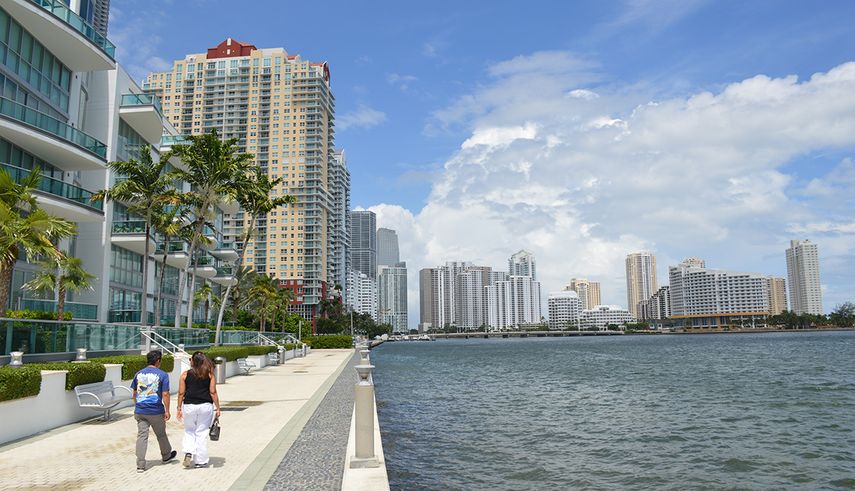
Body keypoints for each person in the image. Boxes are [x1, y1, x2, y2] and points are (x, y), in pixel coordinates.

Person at [131, 350, 176, 472]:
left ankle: (140, 464)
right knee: (161, 434)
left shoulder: (138, 374)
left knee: (142, 436)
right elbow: (165, 394)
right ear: (158, 361)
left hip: (140, 410)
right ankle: (166, 456)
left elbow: (134, 393)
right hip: (156, 410)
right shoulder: (162, 375)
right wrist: (167, 410)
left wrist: (137, 405)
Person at [177, 351, 221, 468]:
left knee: (189, 430)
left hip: (189, 406)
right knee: (201, 433)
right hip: (205, 406)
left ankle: (188, 452)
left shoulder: (185, 375)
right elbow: (213, 392)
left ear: (193, 361)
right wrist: (217, 407)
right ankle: (200, 461)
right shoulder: (210, 374)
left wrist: (178, 408)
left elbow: (181, 393)